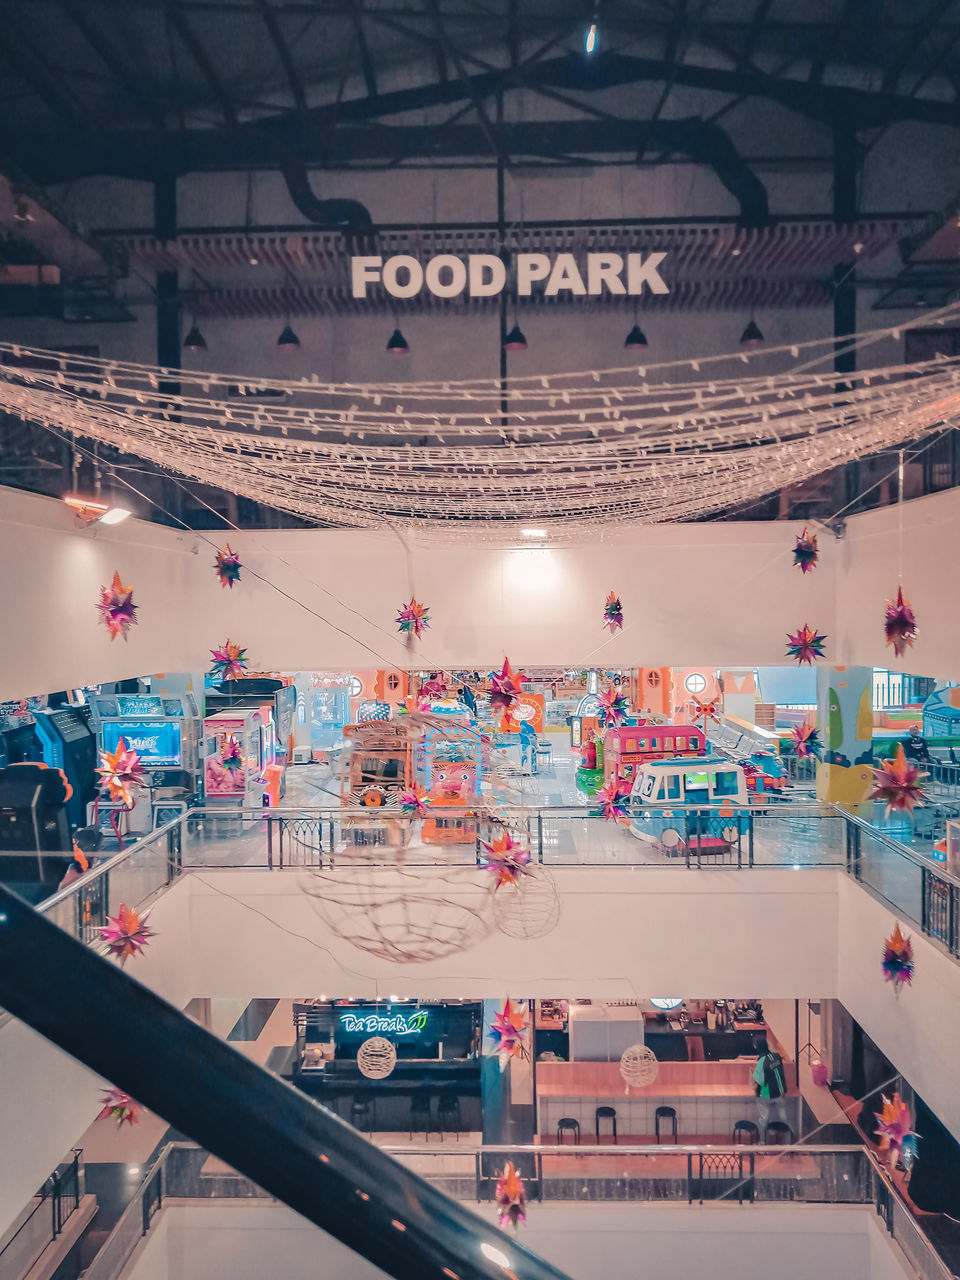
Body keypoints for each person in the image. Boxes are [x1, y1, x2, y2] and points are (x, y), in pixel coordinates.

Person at [753, 1045, 788, 1136]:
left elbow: (761, 1081)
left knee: (764, 1118)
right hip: (780, 1093)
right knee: (783, 1116)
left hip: (765, 1095)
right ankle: (786, 1140)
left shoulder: (761, 1061)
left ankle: (763, 1141)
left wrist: (754, 1074)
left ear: (756, 1047)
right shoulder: (777, 1057)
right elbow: (781, 1073)